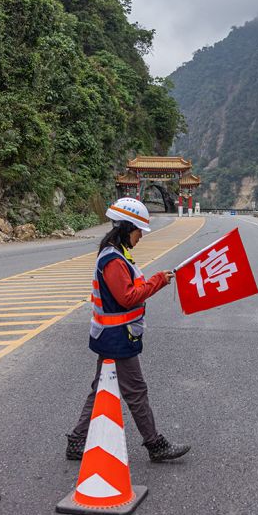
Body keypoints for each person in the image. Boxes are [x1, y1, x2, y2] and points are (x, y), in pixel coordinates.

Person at [65, 197, 191, 462]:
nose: (140, 237)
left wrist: (157, 280)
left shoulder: (119, 254)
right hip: (116, 338)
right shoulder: (113, 259)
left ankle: (77, 441)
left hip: (112, 335)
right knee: (136, 391)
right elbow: (127, 297)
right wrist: (158, 281)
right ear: (126, 228)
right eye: (138, 232)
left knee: (100, 389)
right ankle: (155, 444)